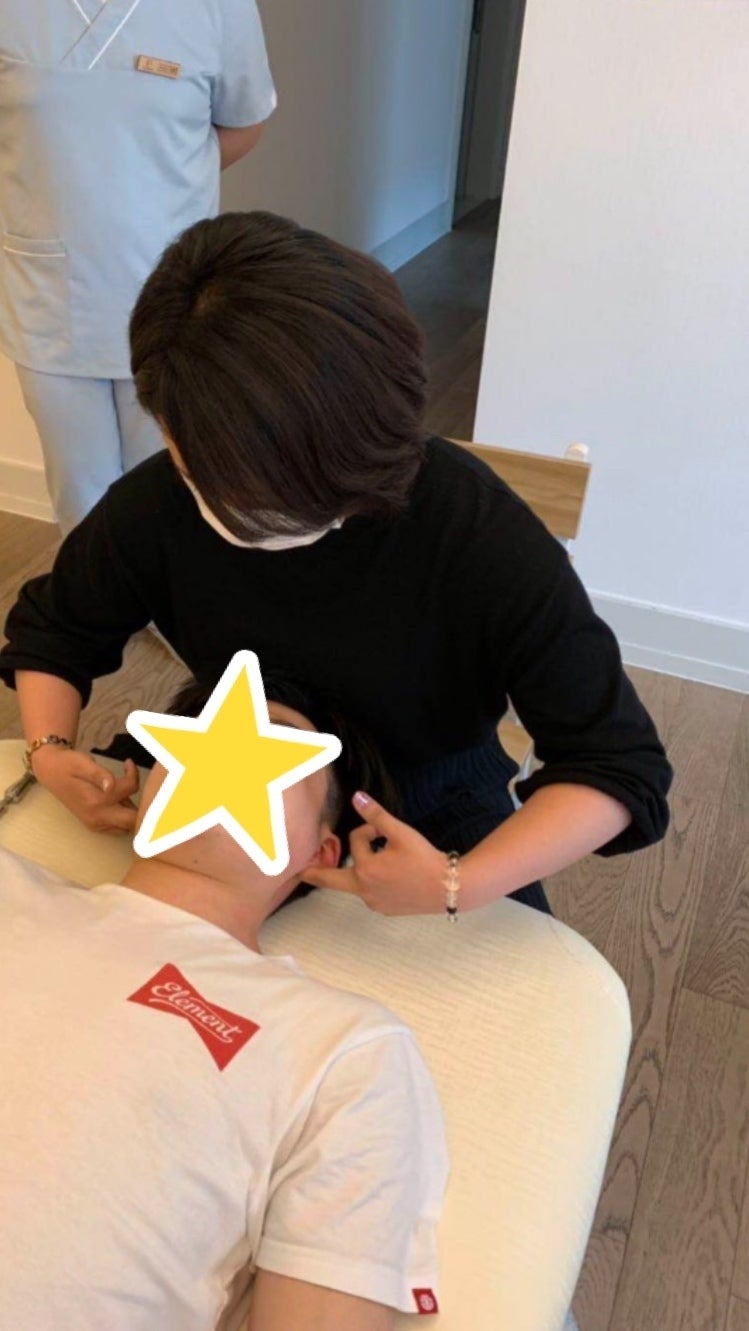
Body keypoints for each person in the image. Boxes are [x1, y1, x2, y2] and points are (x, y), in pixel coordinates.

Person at [0, 211, 673, 921]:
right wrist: (49, 747)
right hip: (219, 763)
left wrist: (458, 881)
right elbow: (55, 630)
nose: (260, 511)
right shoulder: (159, 503)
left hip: (423, 803)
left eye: (284, 491)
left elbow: (616, 765)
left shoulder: (477, 535)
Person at [0, 674, 448, 1331]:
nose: (231, 753)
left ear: (321, 851)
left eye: (277, 742)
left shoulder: (346, 1049)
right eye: (207, 733)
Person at [0, 0, 276, 533]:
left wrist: (162, 179)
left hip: (175, 293)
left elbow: (245, 123)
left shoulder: (220, 8)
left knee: (173, 489)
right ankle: (92, 587)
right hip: (50, 293)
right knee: (79, 495)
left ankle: (168, 589)